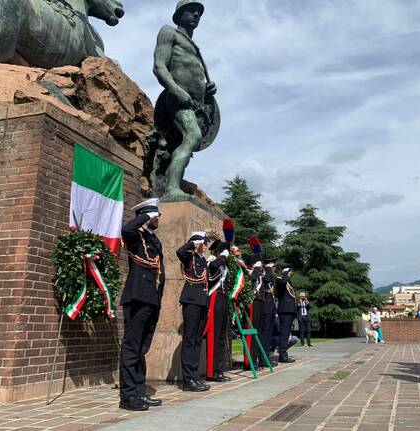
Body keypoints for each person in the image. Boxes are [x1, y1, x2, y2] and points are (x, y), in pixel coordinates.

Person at [152, 0, 218, 200]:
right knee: (193, 137)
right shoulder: (169, 32)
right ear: (179, 15)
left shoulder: (195, 47)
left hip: (198, 107)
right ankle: (172, 189)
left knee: (185, 147)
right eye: (191, 10)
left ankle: (170, 183)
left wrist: (208, 89)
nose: (196, 14)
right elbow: (159, 66)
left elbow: (194, 74)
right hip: (178, 100)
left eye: (198, 12)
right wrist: (174, 89)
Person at [119, 199, 165, 411]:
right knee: (131, 347)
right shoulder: (135, 237)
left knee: (141, 349)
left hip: (151, 299)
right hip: (137, 297)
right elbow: (126, 228)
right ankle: (128, 397)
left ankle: (139, 392)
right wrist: (145, 216)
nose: (158, 219)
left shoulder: (152, 239)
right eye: (156, 215)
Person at [177, 231, 212, 391]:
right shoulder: (189, 257)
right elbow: (180, 252)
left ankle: (194, 375)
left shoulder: (202, 260)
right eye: (203, 242)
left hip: (202, 302)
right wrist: (193, 243)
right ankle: (188, 379)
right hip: (191, 302)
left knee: (197, 340)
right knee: (190, 339)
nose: (205, 246)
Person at [205, 241, 231, 382]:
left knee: (221, 337)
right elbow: (213, 268)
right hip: (215, 299)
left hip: (223, 300)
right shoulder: (213, 262)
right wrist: (220, 257)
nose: (226, 255)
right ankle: (212, 371)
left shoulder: (224, 266)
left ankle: (219, 370)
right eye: (224, 252)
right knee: (214, 336)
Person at [276, 268, 297, 363]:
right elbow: (283, 282)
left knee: (286, 334)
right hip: (285, 310)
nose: (290, 274)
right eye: (289, 272)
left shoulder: (288, 280)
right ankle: (282, 355)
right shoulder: (280, 279)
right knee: (284, 333)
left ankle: (283, 353)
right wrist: (285, 273)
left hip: (289, 310)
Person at [259, 262, 278, 367]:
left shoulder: (269, 275)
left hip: (270, 308)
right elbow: (267, 279)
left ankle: (266, 357)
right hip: (266, 308)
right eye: (273, 268)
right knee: (265, 334)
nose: (273, 270)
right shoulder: (265, 274)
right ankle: (263, 358)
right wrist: (268, 269)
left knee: (269, 334)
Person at [247, 261, 265, 369]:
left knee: (258, 332)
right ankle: (251, 361)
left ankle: (256, 359)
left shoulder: (260, 276)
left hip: (260, 303)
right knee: (252, 332)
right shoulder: (251, 273)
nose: (261, 269)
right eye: (259, 267)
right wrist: (255, 269)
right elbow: (252, 278)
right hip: (253, 303)